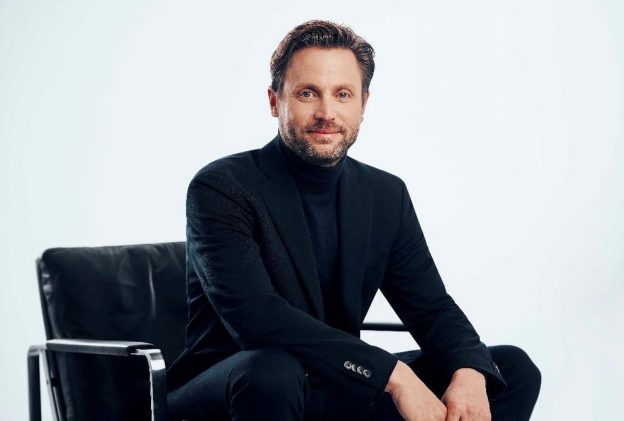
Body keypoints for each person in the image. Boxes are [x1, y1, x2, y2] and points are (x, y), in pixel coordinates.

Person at [167, 20, 541, 421]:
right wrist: (393, 375)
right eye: (308, 93)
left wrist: (467, 369)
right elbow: (257, 319)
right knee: (272, 371)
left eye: (342, 94)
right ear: (275, 102)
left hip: (335, 381)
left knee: (510, 369)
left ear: (363, 104)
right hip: (234, 385)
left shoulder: (385, 194)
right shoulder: (222, 186)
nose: (326, 113)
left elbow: (430, 307)